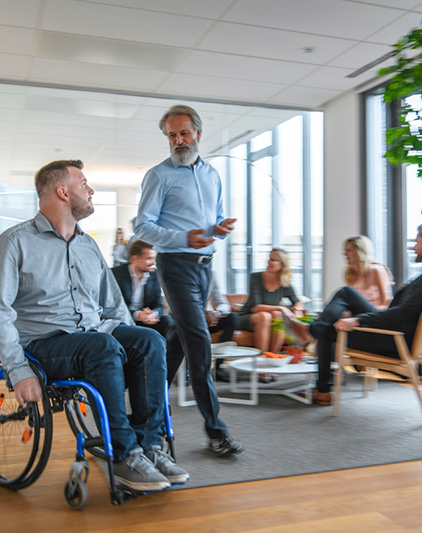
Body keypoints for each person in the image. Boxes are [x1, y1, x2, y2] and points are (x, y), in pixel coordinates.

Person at [0, 159, 188, 491]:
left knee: (150, 340)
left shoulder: (88, 245)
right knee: (102, 346)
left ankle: (149, 448)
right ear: (62, 192)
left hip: (95, 335)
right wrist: (18, 371)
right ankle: (124, 454)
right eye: (84, 184)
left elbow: (113, 307)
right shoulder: (14, 242)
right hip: (44, 344)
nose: (90, 190)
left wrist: (131, 345)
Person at [134, 104, 243, 457]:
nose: (178, 141)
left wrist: (219, 229)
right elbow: (143, 227)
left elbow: (217, 219)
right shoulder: (158, 175)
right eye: (171, 135)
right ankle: (216, 432)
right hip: (176, 266)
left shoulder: (213, 175)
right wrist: (184, 238)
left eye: (183, 133)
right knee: (199, 344)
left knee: (178, 344)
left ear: (197, 133)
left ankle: (144, 413)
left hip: (204, 267)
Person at [285, 223, 422, 405]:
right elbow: (403, 312)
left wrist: (357, 320)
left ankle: (322, 387)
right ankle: (312, 331)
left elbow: (401, 313)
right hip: (395, 332)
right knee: (346, 293)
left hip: (393, 339)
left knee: (327, 330)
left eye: (417, 242)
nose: (413, 247)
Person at [237, 248, 305, 354]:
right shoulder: (256, 277)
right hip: (247, 316)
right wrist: (282, 308)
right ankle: (262, 357)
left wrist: (297, 310)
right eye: (269, 258)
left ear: (282, 265)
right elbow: (256, 307)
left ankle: (272, 356)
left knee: (276, 314)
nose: (269, 262)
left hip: (268, 318)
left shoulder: (284, 283)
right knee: (265, 316)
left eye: (273, 260)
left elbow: (297, 301)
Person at [111, 240, 173, 339]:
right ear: (135, 258)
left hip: (147, 320)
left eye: (153, 258)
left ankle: (167, 354)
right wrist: (138, 315)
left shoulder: (154, 275)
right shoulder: (115, 274)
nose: (153, 262)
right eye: (149, 258)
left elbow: (158, 305)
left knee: (169, 322)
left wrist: (153, 313)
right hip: (124, 320)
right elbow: (113, 307)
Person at [343, 236, 393, 309]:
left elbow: (387, 303)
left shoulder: (375, 270)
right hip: (357, 313)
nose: (345, 254)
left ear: (360, 251)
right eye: (345, 250)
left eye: (349, 250)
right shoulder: (350, 274)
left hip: (374, 313)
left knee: (344, 292)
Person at [208, 276, 239, 383]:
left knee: (232, 317)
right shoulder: (183, 274)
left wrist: (218, 313)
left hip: (208, 319)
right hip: (190, 318)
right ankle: (188, 369)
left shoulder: (211, 276)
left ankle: (219, 367)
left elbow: (223, 303)